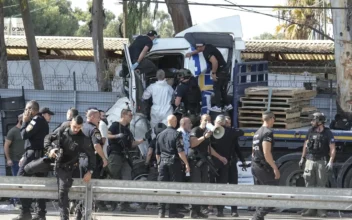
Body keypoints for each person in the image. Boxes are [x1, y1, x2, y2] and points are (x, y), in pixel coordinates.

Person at [44, 115, 96, 220]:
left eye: (79, 127)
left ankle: (79, 215)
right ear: (70, 123)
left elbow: (92, 156)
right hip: (59, 164)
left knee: (77, 193)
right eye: (74, 126)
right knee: (63, 193)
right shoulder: (62, 130)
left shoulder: (83, 139)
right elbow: (48, 138)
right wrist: (50, 149)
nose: (76, 129)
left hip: (73, 166)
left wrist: (90, 171)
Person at [13, 100, 49, 220]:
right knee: (40, 184)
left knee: (21, 181)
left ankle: (25, 212)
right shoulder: (42, 120)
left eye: (26, 109)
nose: (25, 112)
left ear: (32, 110)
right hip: (38, 156)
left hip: (33, 156)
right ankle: (41, 213)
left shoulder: (35, 120)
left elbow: (24, 135)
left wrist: (24, 121)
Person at [188, 114, 226, 218]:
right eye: (205, 120)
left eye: (209, 120)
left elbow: (209, 148)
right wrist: (204, 137)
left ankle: (199, 210)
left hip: (204, 162)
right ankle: (193, 211)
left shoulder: (208, 133)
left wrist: (220, 157)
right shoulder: (196, 130)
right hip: (195, 162)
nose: (207, 122)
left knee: (203, 186)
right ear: (201, 120)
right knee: (196, 186)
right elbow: (192, 143)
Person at [299, 112, 336, 217]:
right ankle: (310, 209)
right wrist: (302, 158)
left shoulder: (327, 133)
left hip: (321, 161)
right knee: (309, 186)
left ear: (320, 121)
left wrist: (331, 161)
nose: (311, 122)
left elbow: (332, 148)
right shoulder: (310, 131)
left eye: (313, 120)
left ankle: (321, 210)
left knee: (321, 186)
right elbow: (305, 146)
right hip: (310, 161)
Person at [107, 108, 145, 212]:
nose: (131, 117)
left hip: (124, 156)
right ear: (123, 115)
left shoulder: (127, 130)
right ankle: (109, 202)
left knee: (126, 179)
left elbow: (131, 144)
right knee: (113, 177)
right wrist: (117, 136)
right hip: (115, 155)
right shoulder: (116, 125)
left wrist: (143, 140)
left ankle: (124, 204)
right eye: (130, 115)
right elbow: (107, 135)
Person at [156, 115, 190, 218]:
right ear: (175, 122)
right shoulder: (177, 134)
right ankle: (172, 212)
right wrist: (187, 164)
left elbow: (157, 153)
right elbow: (180, 151)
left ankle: (161, 212)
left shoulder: (160, 135)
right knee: (174, 188)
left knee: (162, 187)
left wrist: (159, 164)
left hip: (162, 163)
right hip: (173, 163)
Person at [210, 115, 244, 217]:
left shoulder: (212, 131)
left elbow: (237, 148)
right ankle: (230, 210)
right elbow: (241, 132)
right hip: (224, 163)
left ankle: (221, 211)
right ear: (224, 123)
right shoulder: (229, 131)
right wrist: (229, 128)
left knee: (222, 187)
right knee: (231, 187)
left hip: (222, 162)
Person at [186, 42, 232, 112]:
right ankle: (228, 105)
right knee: (222, 89)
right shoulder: (208, 46)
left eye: (198, 47)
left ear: (201, 47)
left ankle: (218, 106)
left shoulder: (206, 52)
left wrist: (213, 73)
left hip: (220, 71)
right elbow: (199, 50)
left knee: (216, 88)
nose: (197, 49)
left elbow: (215, 62)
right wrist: (191, 53)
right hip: (224, 70)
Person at [251, 111, 280, 220]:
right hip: (263, 167)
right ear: (272, 118)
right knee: (274, 194)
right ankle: (256, 217)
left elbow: (253, 151)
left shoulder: (257, 132)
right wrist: (274, 167)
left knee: (262, 194)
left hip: (255, 165)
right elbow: (266, 152)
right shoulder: (267, 133)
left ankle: (258, 218)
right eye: (274, 119)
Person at [224, 116, 246, 217]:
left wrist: (243, 161)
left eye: (229, 123)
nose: (228, 124)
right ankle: (220, 210)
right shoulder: (219, 132)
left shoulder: (233, 134)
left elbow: (237, 148)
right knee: (221, 186)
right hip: (222, 164)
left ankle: (234, 210)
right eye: (226, 123)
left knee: (233, 187)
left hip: (231, 163)